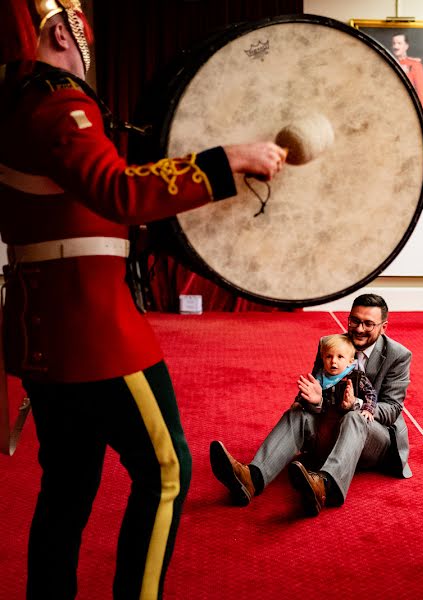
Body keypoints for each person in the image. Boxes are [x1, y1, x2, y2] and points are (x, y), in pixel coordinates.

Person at [0, 1, 287, 598]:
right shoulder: (60, 101)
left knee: (68, 485)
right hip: (94, 333)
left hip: (42, 328)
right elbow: (118, 194)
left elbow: (76, 211)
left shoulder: (14, 104)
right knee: (165, 470)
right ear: (62, 29)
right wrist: (228, 159)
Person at [210, 293, 412, 516]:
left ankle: (325, 487)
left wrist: (356, 404)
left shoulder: (398, 355)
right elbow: (317, 389)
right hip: (332, 425)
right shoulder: (331, 345)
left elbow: (392, 409)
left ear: (383, 327)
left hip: (374, 440)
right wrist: (314, 401)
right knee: (298, 411)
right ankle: (252, 478)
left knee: (354, 416)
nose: (359, 328)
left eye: (368, 324)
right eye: (354, 321)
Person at [301, 333, 377, 461]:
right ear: (322, 358)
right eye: (329, 356)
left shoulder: (356, 376)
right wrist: (299, 401)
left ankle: (331, 462)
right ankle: (314, 456)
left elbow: (371, 393)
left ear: (350, 361)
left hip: (343, 417)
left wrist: (368, 408)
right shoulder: (320, 376)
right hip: (324, 415)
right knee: (319, 436)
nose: (333, 361)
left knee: (336, 437)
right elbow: (307, 391)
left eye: (340, 357)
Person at [391, 33, 423, 108]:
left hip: (408, 109)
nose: (395, 46)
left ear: (406, 46)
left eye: (399, 43)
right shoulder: (388, 64)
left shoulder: (415, 65)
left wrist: (416, 114)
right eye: (394, 43)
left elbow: (421, 93)